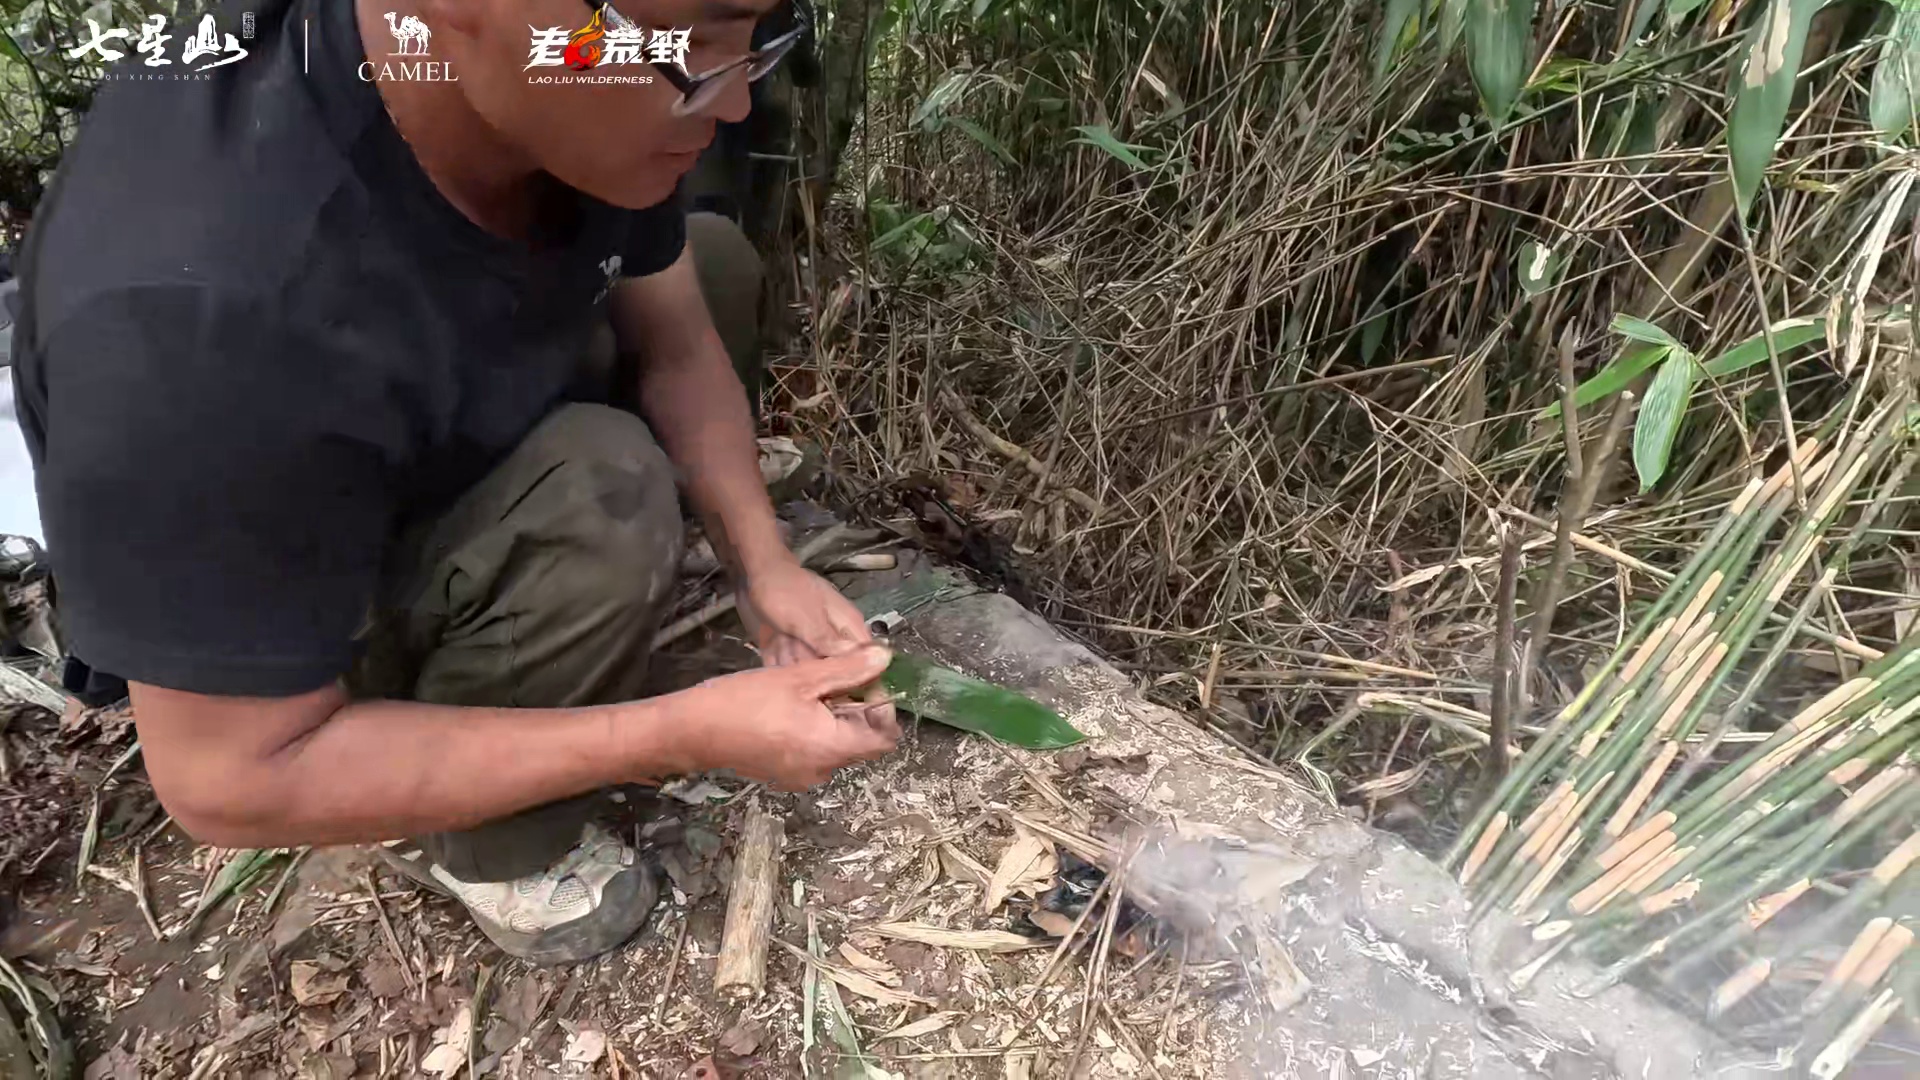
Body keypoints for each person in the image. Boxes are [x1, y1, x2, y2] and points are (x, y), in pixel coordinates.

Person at [8, 0, 900, 965]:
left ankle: (560, 568)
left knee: (710, 261)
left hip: (390, 409)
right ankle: (497, 850)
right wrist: (682, 732)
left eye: (754, 32)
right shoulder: (199, 322)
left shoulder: (556, 80)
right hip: (284, 577)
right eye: (687, 51)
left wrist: (761, 566)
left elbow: (677, 339)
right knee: (603, 488)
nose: (735, 103)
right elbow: (226, 782)